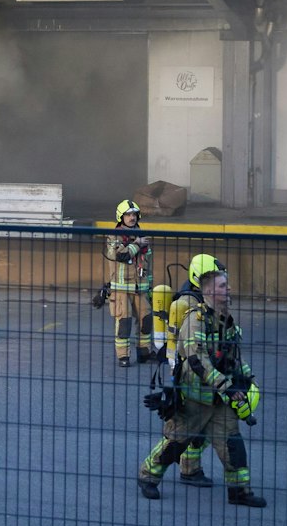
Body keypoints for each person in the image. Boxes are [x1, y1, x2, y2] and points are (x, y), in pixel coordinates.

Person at [138, 265, 266, 507]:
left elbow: (234, 357)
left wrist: (247, 380)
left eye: (227, 285)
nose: (228, 289)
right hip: (195, 397)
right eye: (222, 286)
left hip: (219, 399)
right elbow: (198, 361)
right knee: (175, 443)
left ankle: (240, 492)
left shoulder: (225, 319)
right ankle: (147, 477)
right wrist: (226, 386)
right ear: (208, 292)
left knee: (232, 444)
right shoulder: (194, 320)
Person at [157, 253, 225, 487]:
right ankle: (153, 472)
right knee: (185, 428)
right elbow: (184, 346)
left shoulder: (202, 299)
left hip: (201, 373)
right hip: (191, 374)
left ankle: (190, 469)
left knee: (199, 427)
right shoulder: (188, 304)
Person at [103, 200, 152, 367]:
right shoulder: (114, 235)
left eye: (134, 214)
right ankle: (123, 356)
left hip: (141, 289)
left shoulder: (142, 234)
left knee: (146, 321)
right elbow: (119, 256)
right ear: (121, 217)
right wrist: (137, 244)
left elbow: (146, 263)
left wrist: (149, 286)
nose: (132, 218)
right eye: (128, 215)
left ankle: (144, 353)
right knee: (124, 324)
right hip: (121, 289)